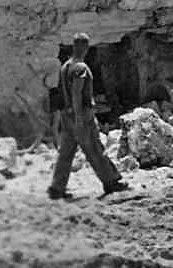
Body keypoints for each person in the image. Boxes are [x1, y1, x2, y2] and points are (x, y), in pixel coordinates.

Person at [49, 32, 129, 200]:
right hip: (81, 116)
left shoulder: (65, 66)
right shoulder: (81, 68)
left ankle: (56, 188)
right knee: (94, 148)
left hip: (67, 115)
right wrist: (79, 118)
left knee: (66, 152)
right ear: (84, 47)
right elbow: (77, 93)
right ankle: (111, 181)